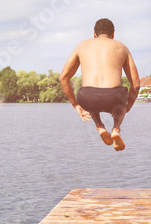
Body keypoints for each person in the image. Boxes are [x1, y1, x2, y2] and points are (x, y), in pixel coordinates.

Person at [60, 18, 140, 151]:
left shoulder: (82, 46)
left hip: (87, 98)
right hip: (114, 97)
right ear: (113, 35)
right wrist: (127, 107)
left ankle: (100, 127)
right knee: (122, 97)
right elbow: (136, 84)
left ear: (94, 34)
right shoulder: (121, 47)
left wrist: (75, 105)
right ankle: (116, 129)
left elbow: (63, 78)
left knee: (89, 94)